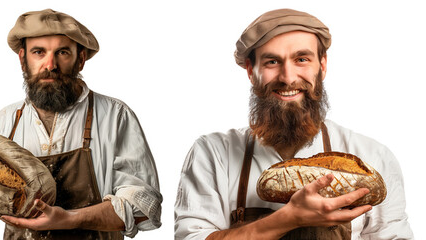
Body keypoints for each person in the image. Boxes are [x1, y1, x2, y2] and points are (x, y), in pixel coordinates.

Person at [174, 8, 413, 239]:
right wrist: (289, 218)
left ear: (322, 65)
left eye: (301, 59)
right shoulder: (213, 154)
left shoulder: (373, 157)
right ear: (250, 70)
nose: (288, 78)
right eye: (271, 62)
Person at [0, 9, 162, 239]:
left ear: (81, 59)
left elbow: (145, 208)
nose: (51, 64)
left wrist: (70, 219)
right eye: (39, 52)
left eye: (62, 52)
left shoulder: (115, 116)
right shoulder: (2, 123)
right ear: (23, 59)